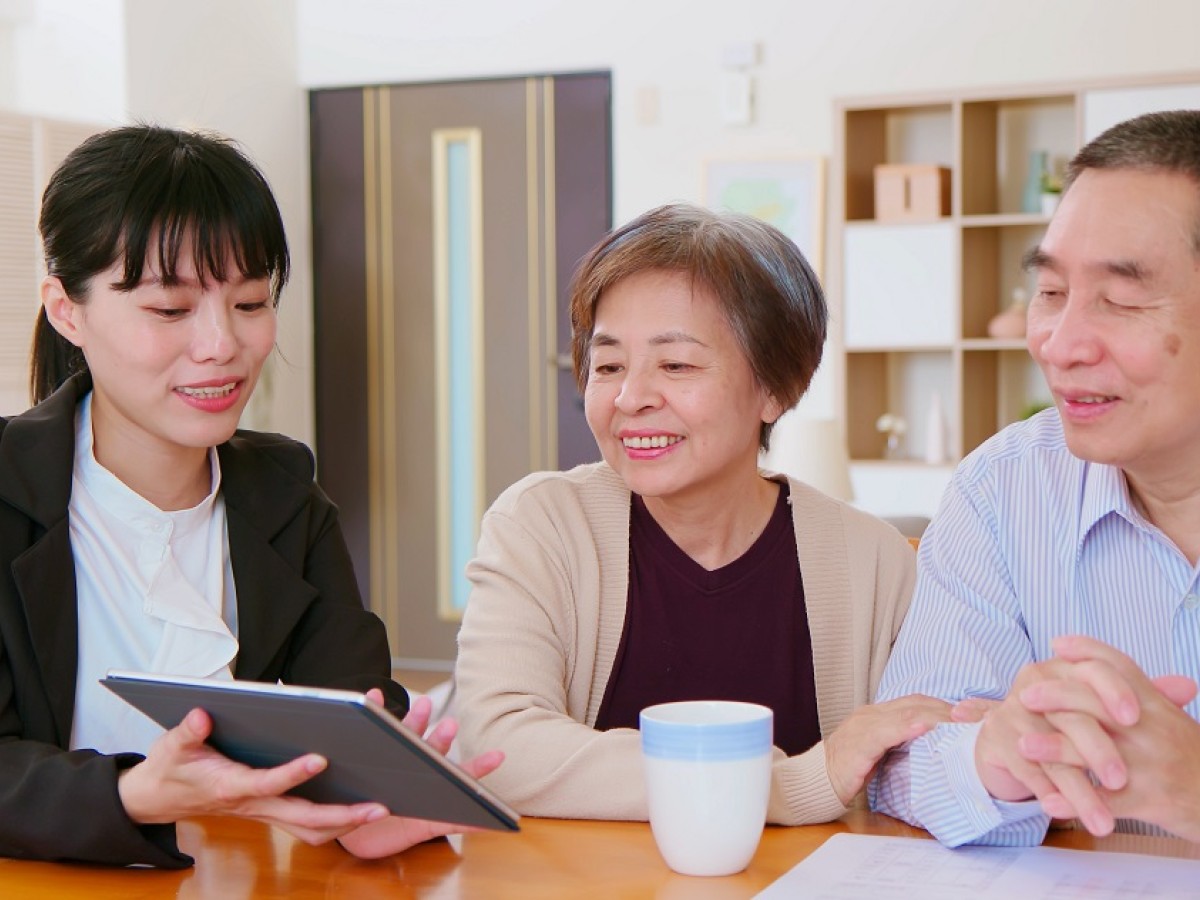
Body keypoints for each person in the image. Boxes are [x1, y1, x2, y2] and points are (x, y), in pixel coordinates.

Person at [0, 124, 500, 868]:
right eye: (170, 309)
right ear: (66, 310)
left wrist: (373, 797)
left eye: (251, 302)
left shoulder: (283, 495)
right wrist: (135, 795)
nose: (221, 345)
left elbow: (352, 706)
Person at [454, 203, 953, 825]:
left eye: (677, 365)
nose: (631, 398)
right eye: (608, 366)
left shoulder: (874, 560)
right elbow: (496, 749)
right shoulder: (543, 525)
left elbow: (927, 760)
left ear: (775, 388)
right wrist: (793, 783)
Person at [871, 109, 1200, 847]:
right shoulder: (1004, 488)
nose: (1060, 344)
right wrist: (998, 757)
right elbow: (899, 758)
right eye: (1050, 292)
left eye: (1118, 299)